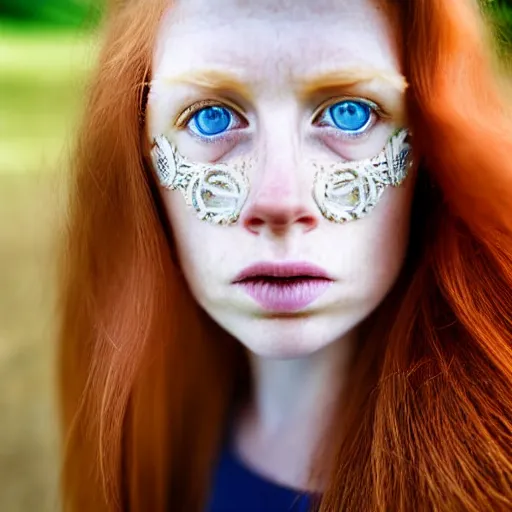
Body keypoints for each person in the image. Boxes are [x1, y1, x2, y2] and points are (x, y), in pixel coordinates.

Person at [57, 0, 512, 510]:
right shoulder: (148, 431)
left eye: (351, 112)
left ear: (434, 141)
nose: (279, 200)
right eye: (211, 117)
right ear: (138, 151)